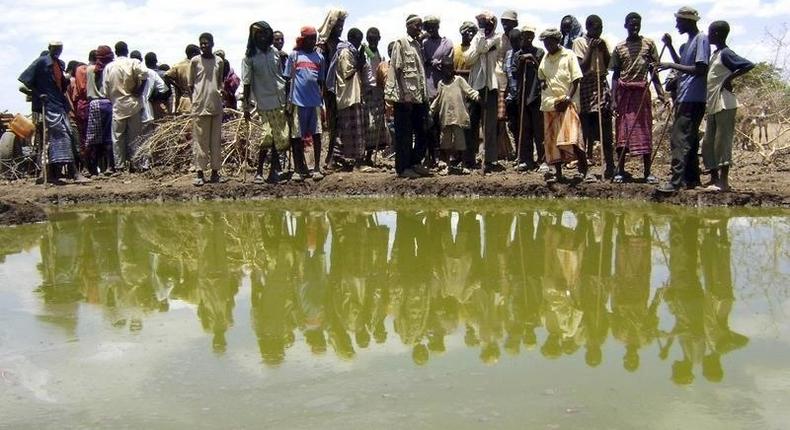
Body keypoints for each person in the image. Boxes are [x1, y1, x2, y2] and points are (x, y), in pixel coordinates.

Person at [656, 6, 711, 193]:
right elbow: (684, 64)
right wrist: (670, 46)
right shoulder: (689, 42)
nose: (677, 25)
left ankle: (676, 181)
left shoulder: (701, 39)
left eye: (679, 21)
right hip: (686, 96)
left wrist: (670, 64)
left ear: (688, 21)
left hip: (693, 97)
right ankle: (692, 179)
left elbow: (701, 69)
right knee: (690, 139)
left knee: (679, 139)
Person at [18, 41, 87, 184]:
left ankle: (54, 173)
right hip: (49, 106)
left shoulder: (59, 64)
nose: (58, 51)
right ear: (49, 48)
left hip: (59, 104)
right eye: (55, 49)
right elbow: (25, 80)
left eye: (60, 49)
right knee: (62, 136)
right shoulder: (41, 62)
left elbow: (61, 85)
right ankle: (72, 173)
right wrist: (38, 93)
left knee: (65, 135)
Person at [610, 12, 667, 184]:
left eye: (638, 25)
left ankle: (647, 172)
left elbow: (654, 72)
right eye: (632, 25)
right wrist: (613, 99)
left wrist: (662, 94)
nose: (635, 28)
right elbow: (615, 75)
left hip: (641, 93)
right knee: (622, 132)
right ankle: (620, 170)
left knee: (644, 131)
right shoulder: (620, 48)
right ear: (626, 25)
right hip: (624, 94)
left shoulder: (649, 44)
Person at [702, 21, 754, 192]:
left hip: (725, 102)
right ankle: (713, 179)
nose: (708, 35)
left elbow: (748, 65)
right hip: (713, 103)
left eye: (710, 32)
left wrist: (728, 79)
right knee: (709, 142)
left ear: (717, 34)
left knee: (722, 142)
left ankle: (723, 182)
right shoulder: (715, 54)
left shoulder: (726, 53)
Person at [537, 28, 590, 183]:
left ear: (557, 41)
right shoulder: (545, 58)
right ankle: (558, 173)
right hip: (550, 104)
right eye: (545, 43)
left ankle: (583, 170)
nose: (547, 45)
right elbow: (541, 76)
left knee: (572, 137)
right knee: (553, 140)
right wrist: (542, 84)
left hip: (568, 103)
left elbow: (576, 79)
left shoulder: (569, 55)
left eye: (549, 42)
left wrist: (567, 98)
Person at [242, 21, 288, 184]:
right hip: (262, 102)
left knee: (278, 138)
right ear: (254, 37)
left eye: (265, 34)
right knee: (266, 137)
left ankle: (273, 171)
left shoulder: (275, 52)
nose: (262, 37)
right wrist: (246, 106)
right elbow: (246, 83)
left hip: (279, 99)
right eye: (259, 35)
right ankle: (259, 171)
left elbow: (281, 76)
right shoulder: (249, 57)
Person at [385, 14, 430, 179]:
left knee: (421, 130)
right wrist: (403, 96)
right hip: (405, 99)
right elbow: (396, 70)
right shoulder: (401, 43)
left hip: (418, 98)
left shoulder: (418, 45)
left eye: (421, 26)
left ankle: (414, 163)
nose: (419, 29)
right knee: (404, 134)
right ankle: (403, 168)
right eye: (417, 26)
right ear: (408, 26)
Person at [573, 15, 615, 180]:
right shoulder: (579, 43)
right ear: (589, 27)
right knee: (585, 130)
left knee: (605, 129)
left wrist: (603, 50)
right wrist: (591, 49)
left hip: (601, 85)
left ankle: (610, 166)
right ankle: (583, 167)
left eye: (601, 28)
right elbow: (581, 67)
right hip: (586, 87)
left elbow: (610, 65)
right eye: (596, 28)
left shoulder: (603, 42)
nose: (599, 32)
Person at [284, 26, 326, 181]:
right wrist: (287, 102)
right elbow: (288, 80)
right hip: (297, 102)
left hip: (314, 102)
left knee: (316, 135)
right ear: (303, 39)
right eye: (310, 39)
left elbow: (321, 82)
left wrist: (321, 103)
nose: (312, 42)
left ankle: (316, 168)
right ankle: (297, 169)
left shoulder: (319, 58)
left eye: (314, 39)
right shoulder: (294, 56)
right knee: (296, 137)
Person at [465, 11, 504, 173]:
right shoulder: (477, 37)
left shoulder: (497, 37)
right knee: (472, 123)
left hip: (490, 85)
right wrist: (480, 49)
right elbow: (468, 59)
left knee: (489, 125)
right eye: (482, 24)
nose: (485, 27)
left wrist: (480, 48)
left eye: (487, 24)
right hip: (475, 86)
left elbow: (481, 47)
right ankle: (468, 159)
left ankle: (490, 159)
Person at [103, 41, 148, 172]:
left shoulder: (109, 67)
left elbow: (105, 90)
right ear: (127, 51)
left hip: (117, 105)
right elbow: (145, 74)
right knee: (135, 137)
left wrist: (114, 99)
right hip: (133, 104)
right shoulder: (133, 62)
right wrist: (140, 90)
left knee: (117, 138)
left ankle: (120, 166)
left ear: (116, 52)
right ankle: (135, 165)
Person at [429, 57, 479, 174]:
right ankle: (448, 165)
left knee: (460, 143)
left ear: (453, 69)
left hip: (458, 117)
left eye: (450, 69)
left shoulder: (459, 80)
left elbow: (469, 91)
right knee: (445, 143)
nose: (448, 72)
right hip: (446, 118)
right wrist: (431, 111)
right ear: (442, 70)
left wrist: (477, 97)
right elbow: (438, 100)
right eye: (446, 69)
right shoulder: (441, 84)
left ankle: (463, 165)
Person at [190, 33, 226, 186]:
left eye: (206, 43)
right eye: (201, 43)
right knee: (200, 141)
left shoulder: (219, 61)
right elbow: (191, 85)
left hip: (216, 106)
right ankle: (199, 173)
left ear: (212, 44)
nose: (203, 46)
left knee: (215, 141)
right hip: (200, 106)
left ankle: (215, 172)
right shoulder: (195, 61)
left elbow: (219, 83)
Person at [330, 28, 368, 170]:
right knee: (350, 129)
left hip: (354, 95)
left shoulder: (351, 51)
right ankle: (356, 162)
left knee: (351, 129)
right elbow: (347, 73)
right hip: (348, 95)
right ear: (353, 39)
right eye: (358, 41)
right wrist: (359, 63)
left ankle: (345, 160)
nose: (359, 44)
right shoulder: (346, 52)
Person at [317, 8, 348, 168]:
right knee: (333, 123)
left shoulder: (340, 43)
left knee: (341, 122)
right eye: (338, 24)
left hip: (341, 87)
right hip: (329, 90)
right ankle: (330, 158)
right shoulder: (323, 44)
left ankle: (336, 155)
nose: (341, 28)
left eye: (342, 24)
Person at [511, 24, 545, 172]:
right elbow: (514, 74)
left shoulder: (539, 52)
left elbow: (543, 72)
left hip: (536, 95)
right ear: (522, 36)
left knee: (539, 130)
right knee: (525, 130)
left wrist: (532, 59)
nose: (528, 38)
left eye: (531, 35)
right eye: (526, 35)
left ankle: (543, 160)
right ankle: (527, 160)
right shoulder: (517, 54)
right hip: (522, 96)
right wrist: (521, 61)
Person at [422, 15, 454, 168]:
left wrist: (436, 63)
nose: (431, 29)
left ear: (438, 26)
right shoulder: (424, 44)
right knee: (430, 125)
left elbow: (449, 63)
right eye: (428, 27)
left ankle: (444, 156)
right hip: (428, 89)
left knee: (444, 124)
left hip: (444, 88)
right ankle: (431, 156)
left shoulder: (447, 43)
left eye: (433, 26)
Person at [85, 45, 115, 174]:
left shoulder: (89, 69)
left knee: (92, 138)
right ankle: (110, 167)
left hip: (93, 104)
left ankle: (89, 168)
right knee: (109, 136)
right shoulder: (109, 68)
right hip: (107, 103)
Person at [362, 27, 388, 165]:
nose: (373, 41)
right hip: (367, 92)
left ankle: (369, 157)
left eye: (375, 38)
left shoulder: (378, 54)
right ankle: (362, 157)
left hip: (378, 91)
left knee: (377, 124)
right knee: (367, 124)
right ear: (367, 39)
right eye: (370, 38)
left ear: (379, 39)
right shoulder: (364, 52)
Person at [139, 53, 169, 170]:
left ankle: (133, 164)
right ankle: (146, 163)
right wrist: (153, 98)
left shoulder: (132, 72)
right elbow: (164, 89)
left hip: (127, 107)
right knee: (147, 136)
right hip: (147, 108)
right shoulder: (153, 74)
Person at [165, 44, 201, 114]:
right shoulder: (196, 66)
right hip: (189, 99)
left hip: (183, 99)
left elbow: (166, 76)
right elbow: (166, 76)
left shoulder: (178, 65)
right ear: (193, 54)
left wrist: (177, 87)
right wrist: (178, 87)